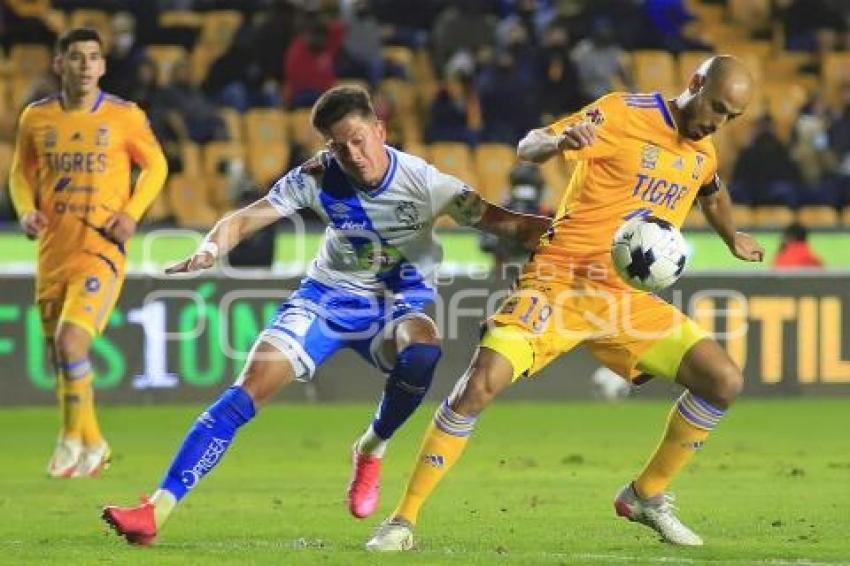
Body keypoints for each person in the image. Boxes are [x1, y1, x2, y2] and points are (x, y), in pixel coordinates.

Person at [101, 85, 550, 545]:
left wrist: (576, 232)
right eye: (339, 145)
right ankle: (155, 510)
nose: (352, 154)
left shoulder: (427, 183)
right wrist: (211, 248)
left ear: (380, 130)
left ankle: (372, 448)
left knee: (423, 350)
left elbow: (506, 223)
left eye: (359, 140)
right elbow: (242, 219)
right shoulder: (317, 176)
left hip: (400, 303)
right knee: (247, 389)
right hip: (326, 298)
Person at [366, 55, 764, 551]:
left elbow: (711, 192)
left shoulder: (703, 152)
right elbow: (527, 144)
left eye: (731, 117)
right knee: (480, 384)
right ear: (696, 83)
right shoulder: (622, 112)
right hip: (559, 280)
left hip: (624, 298)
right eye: (718, 108)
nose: (718, 123)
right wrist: (558, 142)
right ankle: (402, 520)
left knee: (723, 380)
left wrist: (732, 237)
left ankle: (646, 495)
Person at [8, 27, 168, 478]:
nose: (84, 65)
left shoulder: (125, 116)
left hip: (102, 248)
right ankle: (93, 442)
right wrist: (25, 211)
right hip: (53, 251)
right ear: (59, 64)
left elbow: (156, 164)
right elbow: (21, 173)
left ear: (102, 65)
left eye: (92, 57)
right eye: (75, 57)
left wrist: (132, 213)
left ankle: (69, 439)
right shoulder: (36, 118)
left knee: (70, 341)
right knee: (63, 355)